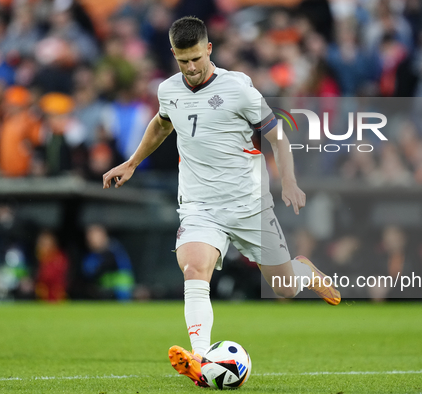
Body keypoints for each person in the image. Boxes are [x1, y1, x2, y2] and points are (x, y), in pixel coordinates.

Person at [102, 16, 341, 387]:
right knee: (195, 269)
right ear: (174, 56)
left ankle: (304, 272)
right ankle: (198, 358)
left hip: (249, 205)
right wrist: (133, 163)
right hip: (200, 206)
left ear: (209, 49)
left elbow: (277, 137)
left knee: (285, 289)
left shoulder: (240, 89)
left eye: (196, 58)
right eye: (183, 61)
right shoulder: (168, 90)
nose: (191, 67)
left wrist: (289, 182)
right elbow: (162, 123)